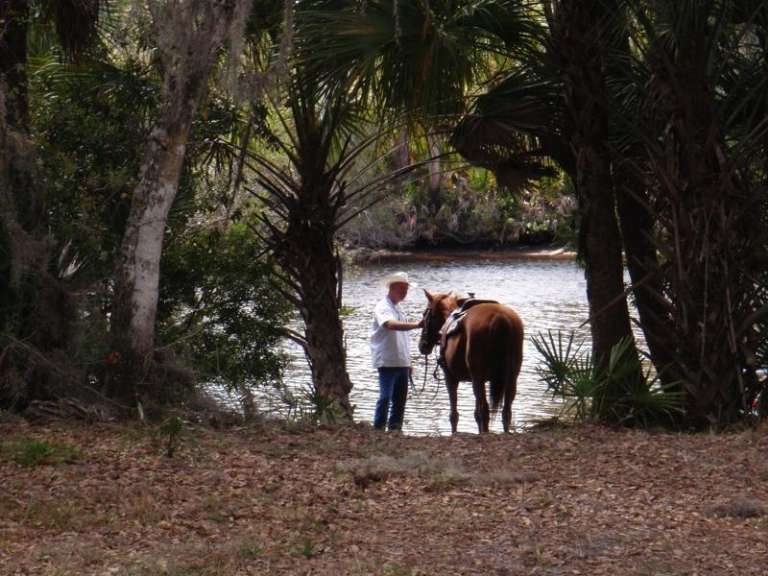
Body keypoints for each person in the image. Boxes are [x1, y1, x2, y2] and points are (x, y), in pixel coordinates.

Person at [369, 271, 422, 431]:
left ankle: (395, 430)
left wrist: (409, 361)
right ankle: (378, 429)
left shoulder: (399, 309)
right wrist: (417, 325)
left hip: (401, 361)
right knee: (385, 398)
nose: (405, 293)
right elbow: (390, 325)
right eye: (402, 289)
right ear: (392, 288)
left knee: (400, 400)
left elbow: (403, 339)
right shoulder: (382, 307)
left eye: (406, 290)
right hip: (387, 360)